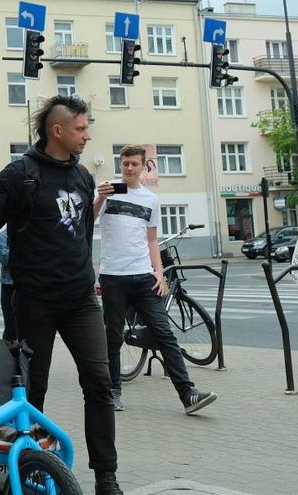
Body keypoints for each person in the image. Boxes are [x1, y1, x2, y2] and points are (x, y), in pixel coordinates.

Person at [0, 95, 124, 495]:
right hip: (34, 301)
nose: (87, 135)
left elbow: (83, 233)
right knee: (32, 391)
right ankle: (28, 467)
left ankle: (106, 476)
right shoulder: (21, 174)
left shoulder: (84, 177)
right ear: (58, 131)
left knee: (100, 384)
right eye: (81, 128)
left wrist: (88, 274)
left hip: (81, 299)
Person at [96, 145, 216, 415]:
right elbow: (86, 222)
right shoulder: (106, 193)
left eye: (134, 164)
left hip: (144, 278)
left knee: (164, 334)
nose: (129, 168)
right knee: (113, 337)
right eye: (125, 163)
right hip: (113, 276)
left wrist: (159, 273)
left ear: (143, 166)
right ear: (120, 164)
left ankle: (188, 394)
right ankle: (113, 390)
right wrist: (99, 200)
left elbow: (152, 239)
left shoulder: (150, 199)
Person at [0, 228, 16, 342]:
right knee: (11, 327)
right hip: (9, 286)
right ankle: (9, 356)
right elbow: (4, 258)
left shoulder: (32, 232)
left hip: (29, 285)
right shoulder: (4, 235)